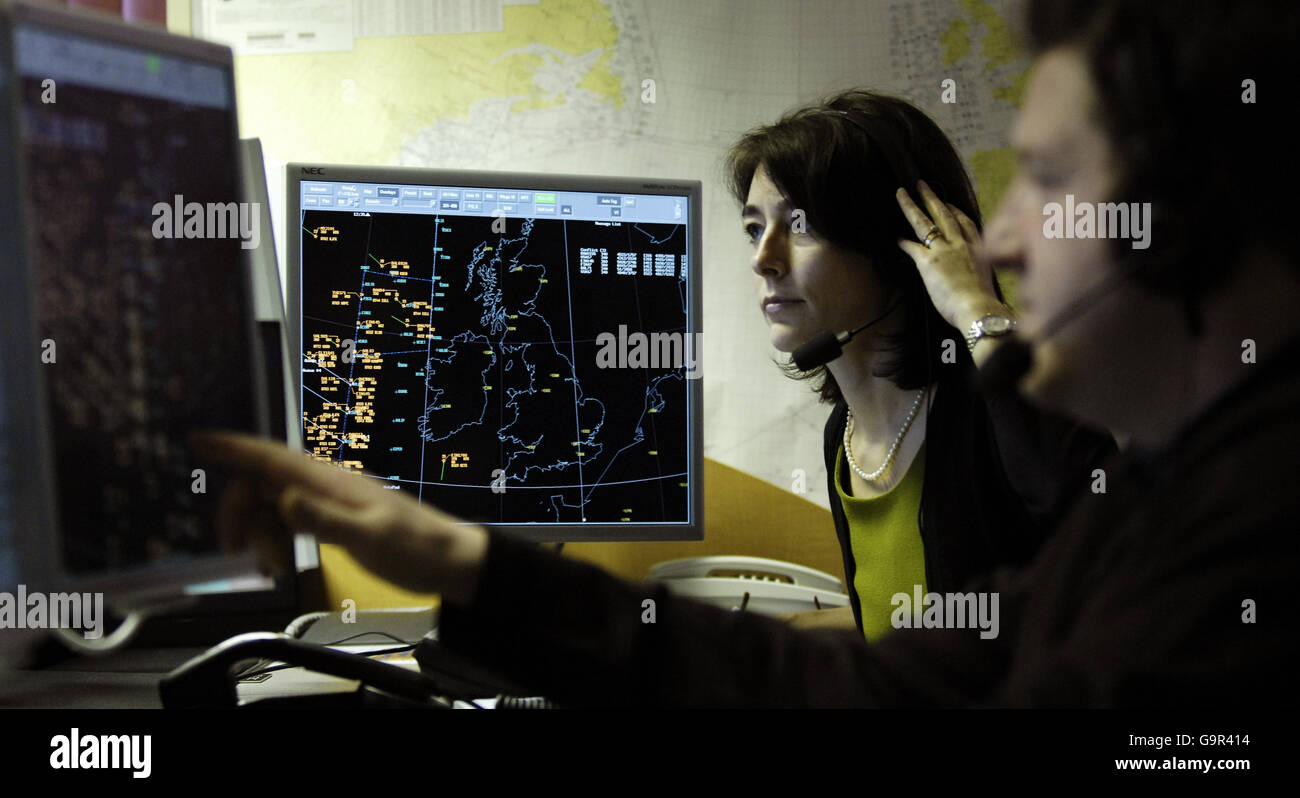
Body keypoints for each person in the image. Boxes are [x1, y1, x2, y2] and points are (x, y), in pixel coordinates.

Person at [198, 0, 1299, 706]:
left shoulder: (1239, 533)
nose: (1001, 237)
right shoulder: (1158, 503)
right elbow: (890, 679)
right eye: (750, 227)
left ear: (1186, 217)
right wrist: (460, 560)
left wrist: (983, 321)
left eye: (1049, 180)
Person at [726, 91, 1112, 638]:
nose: (763, 258)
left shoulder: (987, 413)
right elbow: (898, 625)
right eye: (753, 227)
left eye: (801, 225)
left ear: (896, 248)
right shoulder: (845, 439)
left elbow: (1102, 515)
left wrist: (977, 308)